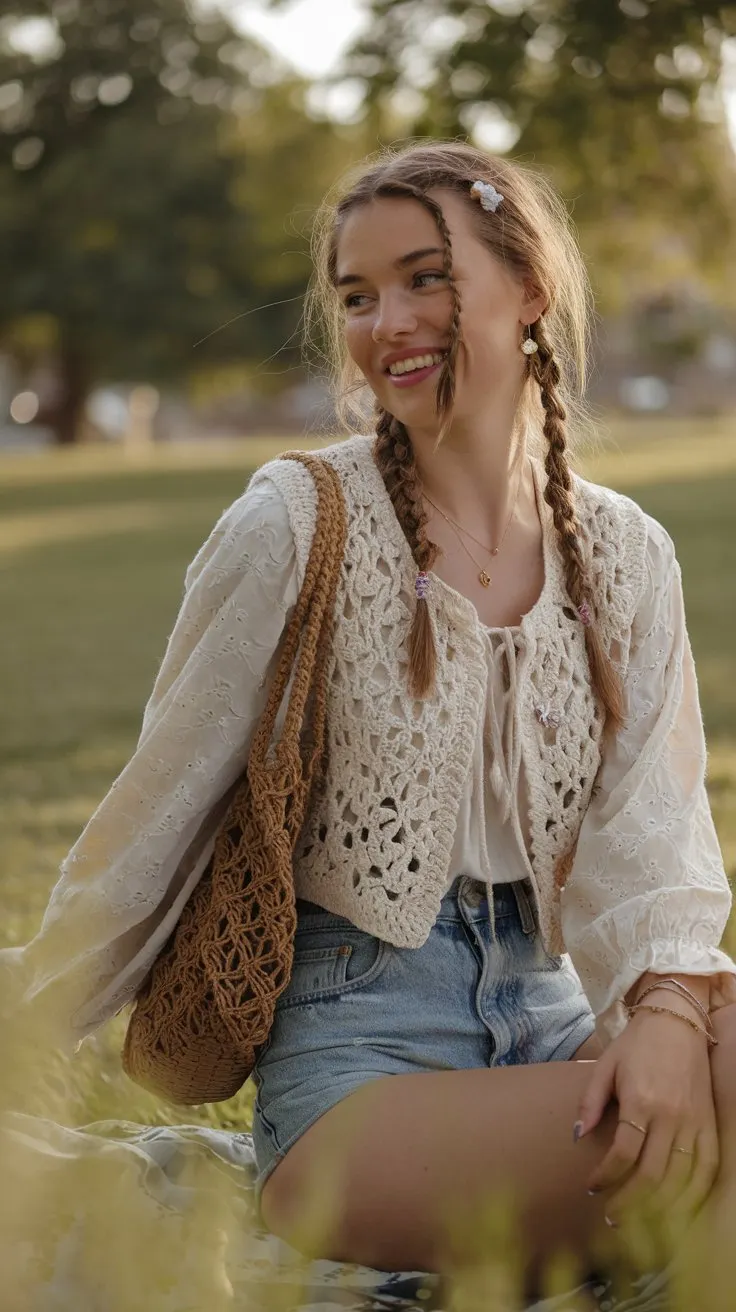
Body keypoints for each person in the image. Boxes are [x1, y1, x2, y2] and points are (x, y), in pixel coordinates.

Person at [6, 141, 736, 1293]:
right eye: (358, 294)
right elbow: (155, 814)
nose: (387, 319)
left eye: (424, 277)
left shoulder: (625, 553)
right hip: (358, 1063)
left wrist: (668, 1014)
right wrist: (27, 1017)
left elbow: (657, 831)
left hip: (551, 1021)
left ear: (530, 289)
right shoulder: (298, 522)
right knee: (709, 1172)